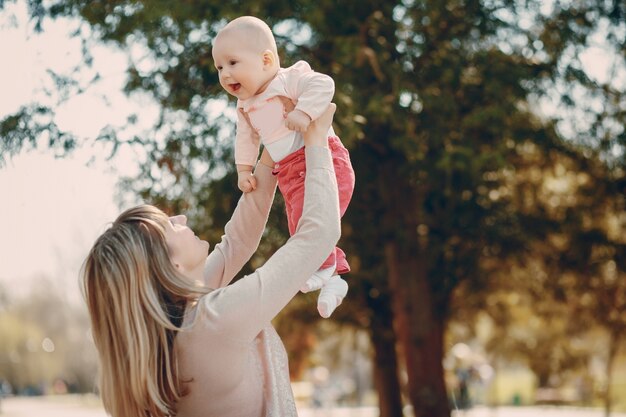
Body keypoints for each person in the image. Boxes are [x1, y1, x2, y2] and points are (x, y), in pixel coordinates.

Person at [81, 104, 340, 417]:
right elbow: (318, 235)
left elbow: (237, 242)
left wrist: (274, 145)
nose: (181, 217)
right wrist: (316, 141)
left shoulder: (182, 328)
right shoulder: (215, 320)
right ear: (169, 266)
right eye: (168, 226)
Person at [211, 16, 355, 318]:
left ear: (266, 60)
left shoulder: (287, 79)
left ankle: (326, 267)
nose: (225, 74)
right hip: (289, 173)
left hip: (324, 161)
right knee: (300, 229)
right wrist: (244, 171)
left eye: (232, 63)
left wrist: (304, 111)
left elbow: (323, 84)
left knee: (310, 228)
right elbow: (246, 139)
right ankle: (334, 280)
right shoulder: (244, 106)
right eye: (219, 68)